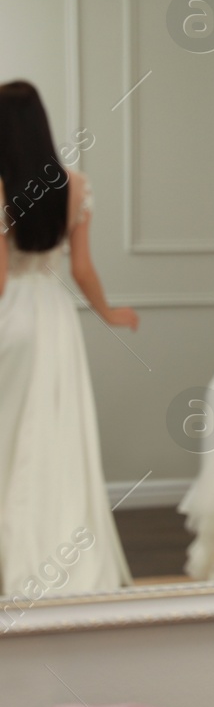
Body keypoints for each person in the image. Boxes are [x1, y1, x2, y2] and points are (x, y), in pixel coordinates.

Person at [0, 80, 136, 597]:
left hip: (9, 314)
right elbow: (81, 269)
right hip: (52, 317)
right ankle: (56, 555)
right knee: (52, 433)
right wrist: (110, 314)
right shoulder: (75, 185)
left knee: (9, 436)